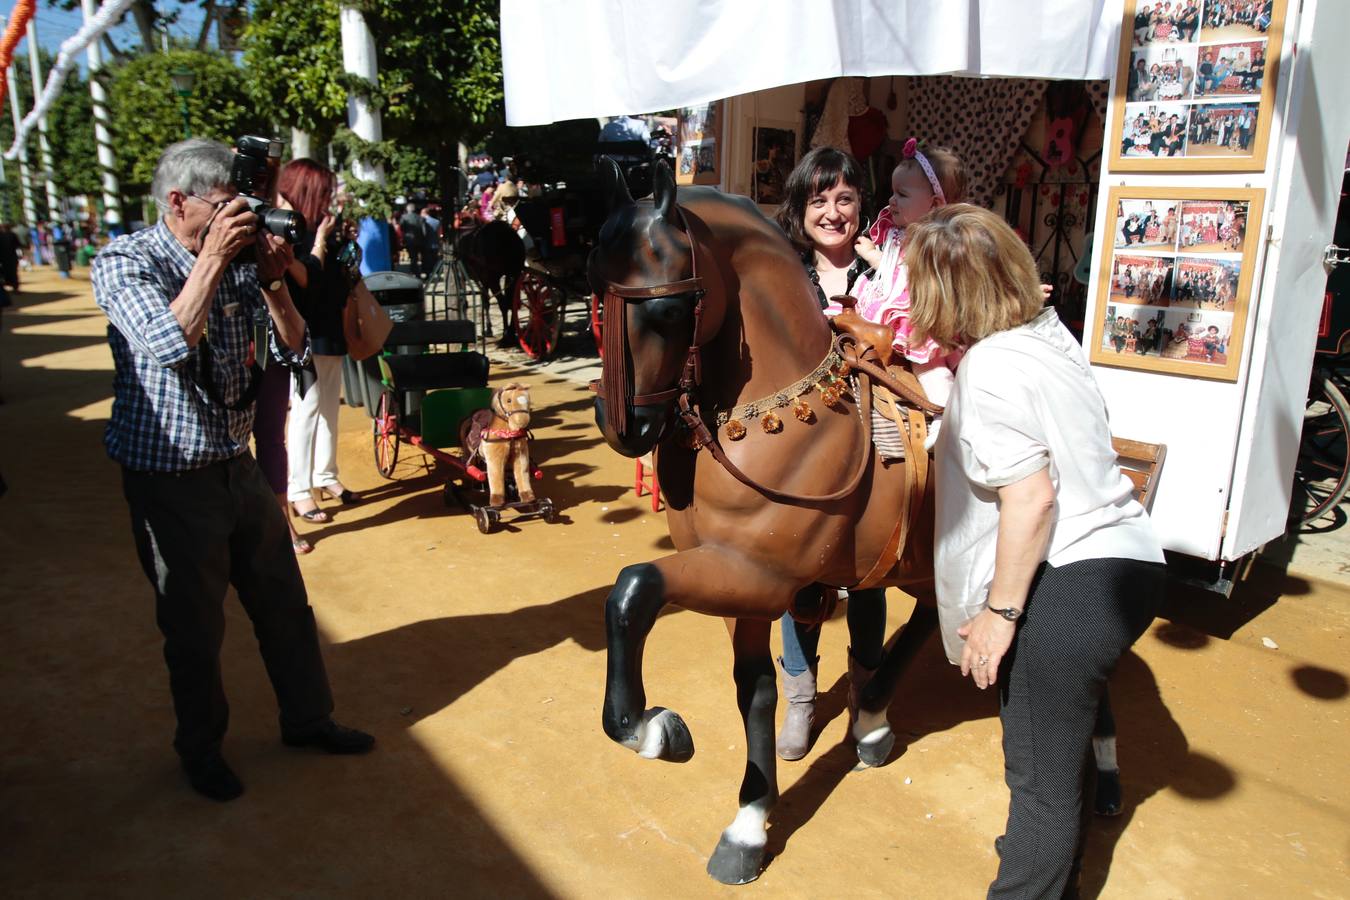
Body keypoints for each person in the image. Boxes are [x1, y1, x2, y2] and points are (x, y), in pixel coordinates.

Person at [90, 138, 374, 803]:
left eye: (241, 207)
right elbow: (166, 342)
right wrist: (215, 259)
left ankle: (308, 719)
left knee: (285, 603)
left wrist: (274, 279)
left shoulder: (242, 257)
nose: (237, 219)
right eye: (224, 208)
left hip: (235, 465)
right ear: (178, 201)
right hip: (170, 476)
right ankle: (202, 751)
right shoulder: (126, 261)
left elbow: (297, 351)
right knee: (193, 628)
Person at [904, 204, 1165, 898]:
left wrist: (1000, 613)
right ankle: (1049, 857)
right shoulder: (1049, 334)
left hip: (1072, 577)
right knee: (1052, 759)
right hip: (1132, 558)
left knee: (1038, 780)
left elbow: (1033, 498)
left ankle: (1031, 881)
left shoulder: (988, 367)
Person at [767, 146, 888, 760]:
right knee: (801, 568)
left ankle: (868, 699)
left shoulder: (886, 267)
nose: (833, 212)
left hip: (875, 434)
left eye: (844, 199)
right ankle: (801, 700)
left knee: (869, 568)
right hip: (807, 443)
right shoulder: (784, 273)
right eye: (819, 201)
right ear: (800, 209)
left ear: (861, 205)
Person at [280, 158, 360, 530]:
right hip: (305, 331)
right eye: (325, 190)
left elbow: (334, 280)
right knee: (306, 409)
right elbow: (307, 280)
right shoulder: (290, 231)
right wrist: (323, 241)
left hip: (331, 328)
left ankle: (326, 475)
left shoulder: (319, 225)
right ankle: (298, 487)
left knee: (329, 407)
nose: (330, 197)